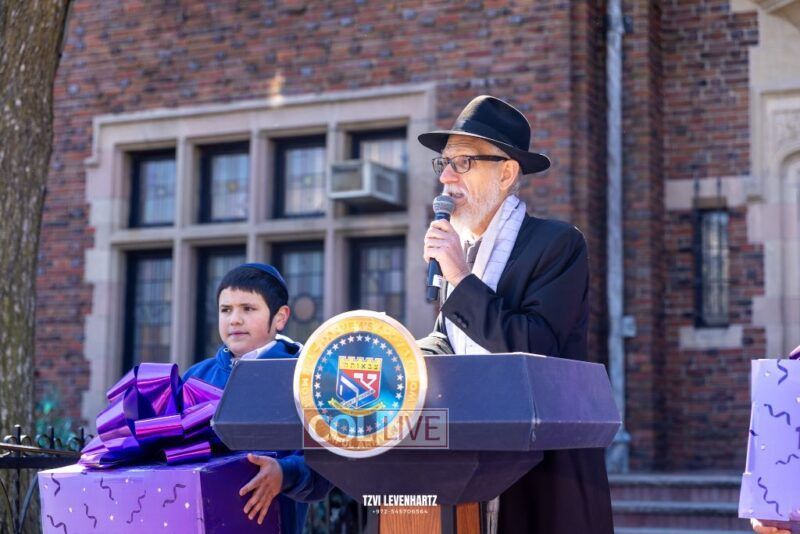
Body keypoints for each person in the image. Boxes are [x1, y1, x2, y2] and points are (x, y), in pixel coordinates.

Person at [417, 95, 614, 533]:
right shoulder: (462, 252)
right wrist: (400, 355)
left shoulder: (557, 245)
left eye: (463, 162)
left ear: (506, 173)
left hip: (543, 471)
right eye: (444, 163)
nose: (446, 177)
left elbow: (532, 346)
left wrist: (460, 277)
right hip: (467, 458)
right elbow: (450, 339)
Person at [183, 262, 331, 532]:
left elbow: (326, 464)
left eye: (248, 309)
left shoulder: (305, 378)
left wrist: (284, 473)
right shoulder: (196, 377)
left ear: (280, 317)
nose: (234, 319)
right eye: (226, 310)